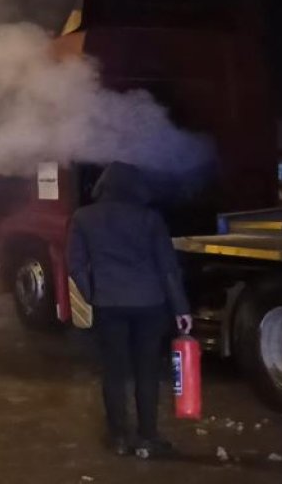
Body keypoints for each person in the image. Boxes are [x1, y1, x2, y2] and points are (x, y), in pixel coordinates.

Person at [67, 162, 193, 460]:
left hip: (109, 304)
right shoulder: (150, 218)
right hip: (150, 304)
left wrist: (94, 295)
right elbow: (168, 268)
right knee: (147, 372)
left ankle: (119, 438)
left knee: (114, 373)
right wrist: (181, 308)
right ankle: (148, 437)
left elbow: (75, 265)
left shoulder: (84, 217)